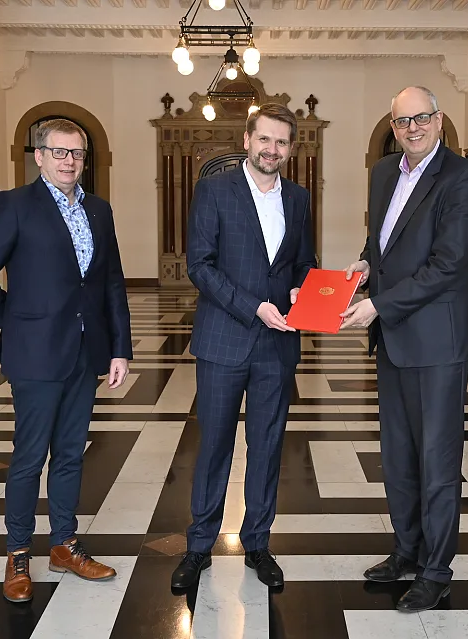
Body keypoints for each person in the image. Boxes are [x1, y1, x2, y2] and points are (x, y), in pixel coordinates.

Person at [0, 118, 133, 603]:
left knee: (72, 454)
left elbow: (111, 283)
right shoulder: (15, 206)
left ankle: (64, 543)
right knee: (29, 456)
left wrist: (120, 347)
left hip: (85, 352)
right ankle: (18, 553)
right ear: (38, 156)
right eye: (59, 152)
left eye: (77, 153)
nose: (69, 161)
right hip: (35, 353)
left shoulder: (99, 210)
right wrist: (13, 321)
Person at [341, 86, 468, 612]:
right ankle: (405, 551)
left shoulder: (463, 178)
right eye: (403, 122)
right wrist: (363, 265)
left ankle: (436, 569)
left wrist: (378, 304)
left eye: (421, 118)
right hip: (395, 340)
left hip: (439, 341)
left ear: (439, 120)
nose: (413, 129)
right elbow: (383, 241)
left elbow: (447, 264)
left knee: (437, 459)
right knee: (398, 456)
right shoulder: (383, 173)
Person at [171, 103, 316, 590]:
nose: (272, 149)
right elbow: (201, 265)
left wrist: (300, 289)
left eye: (282, 142)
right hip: (224, 340)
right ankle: (198, 547)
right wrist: (253, 306)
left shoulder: (298, 198)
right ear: (248, 140)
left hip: (278, 346)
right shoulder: (214, 190)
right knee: (213, 446)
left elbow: (303, 262)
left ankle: (258, 542)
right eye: (265, 139)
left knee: (267, 447)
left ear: (289, 149)